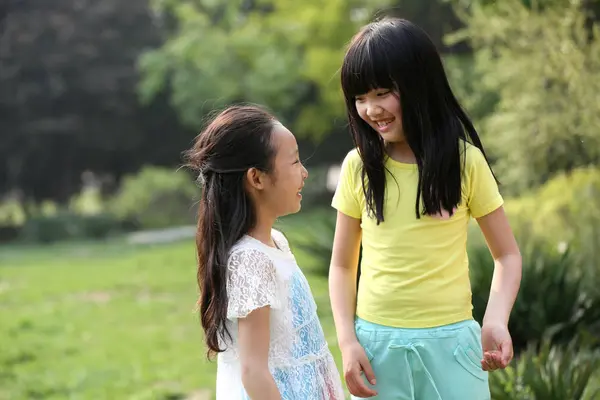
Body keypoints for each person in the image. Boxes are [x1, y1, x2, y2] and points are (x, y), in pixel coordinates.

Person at [329, 18, 522, 399]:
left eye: (382, 92)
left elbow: (508, 255)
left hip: (453, 346)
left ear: (420, 86)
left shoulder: (465, 163)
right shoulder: (358, 166)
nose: (370, 109)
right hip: (376, 348)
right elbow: (342, 264)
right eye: (360, 97)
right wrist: (348, 340)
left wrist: (496, 319)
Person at [185, 105, 345, 400]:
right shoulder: (251, 261)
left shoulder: (275, 243)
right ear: (256, 178)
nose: (305, 173)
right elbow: (253, 372)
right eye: (295, 162)